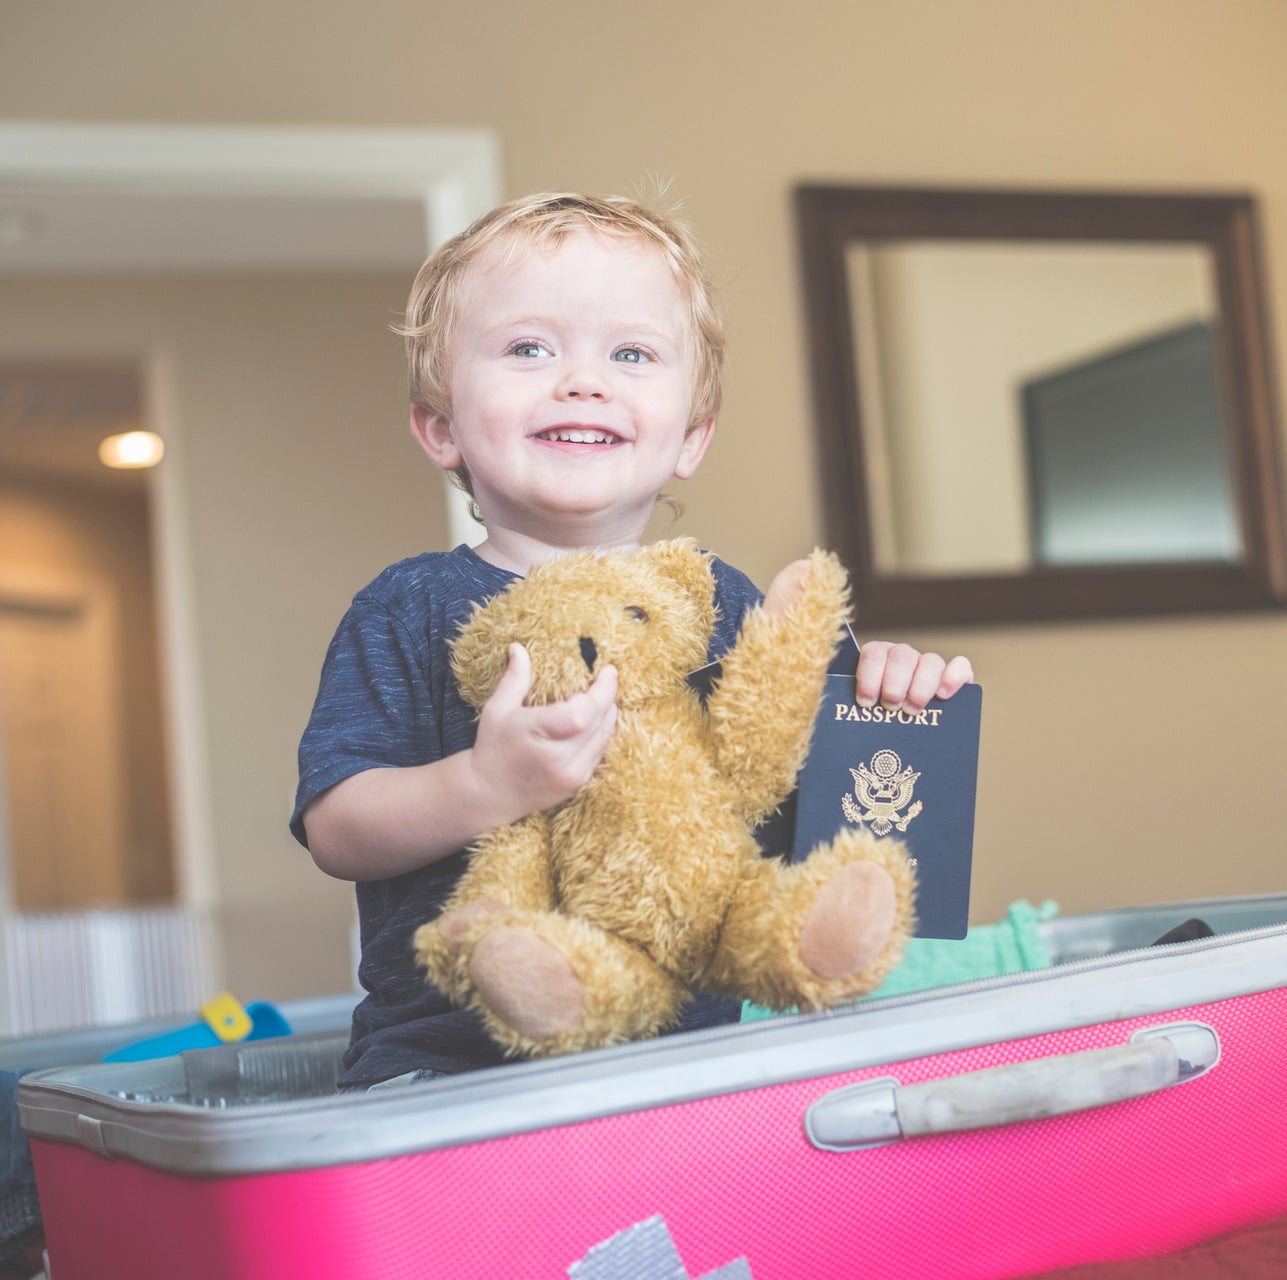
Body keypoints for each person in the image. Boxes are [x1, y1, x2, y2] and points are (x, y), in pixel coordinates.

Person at [292, 192, 974, 1091]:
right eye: (529, 348)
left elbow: (831, 804)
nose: (583, 381)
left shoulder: (723, 605)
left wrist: (889, 698)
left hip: (691, 1069)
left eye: (631, 353)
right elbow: (338, 827)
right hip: (448, 1078)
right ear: (442, 427)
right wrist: (484, 785)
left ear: (690, 436)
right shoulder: (409, 606)